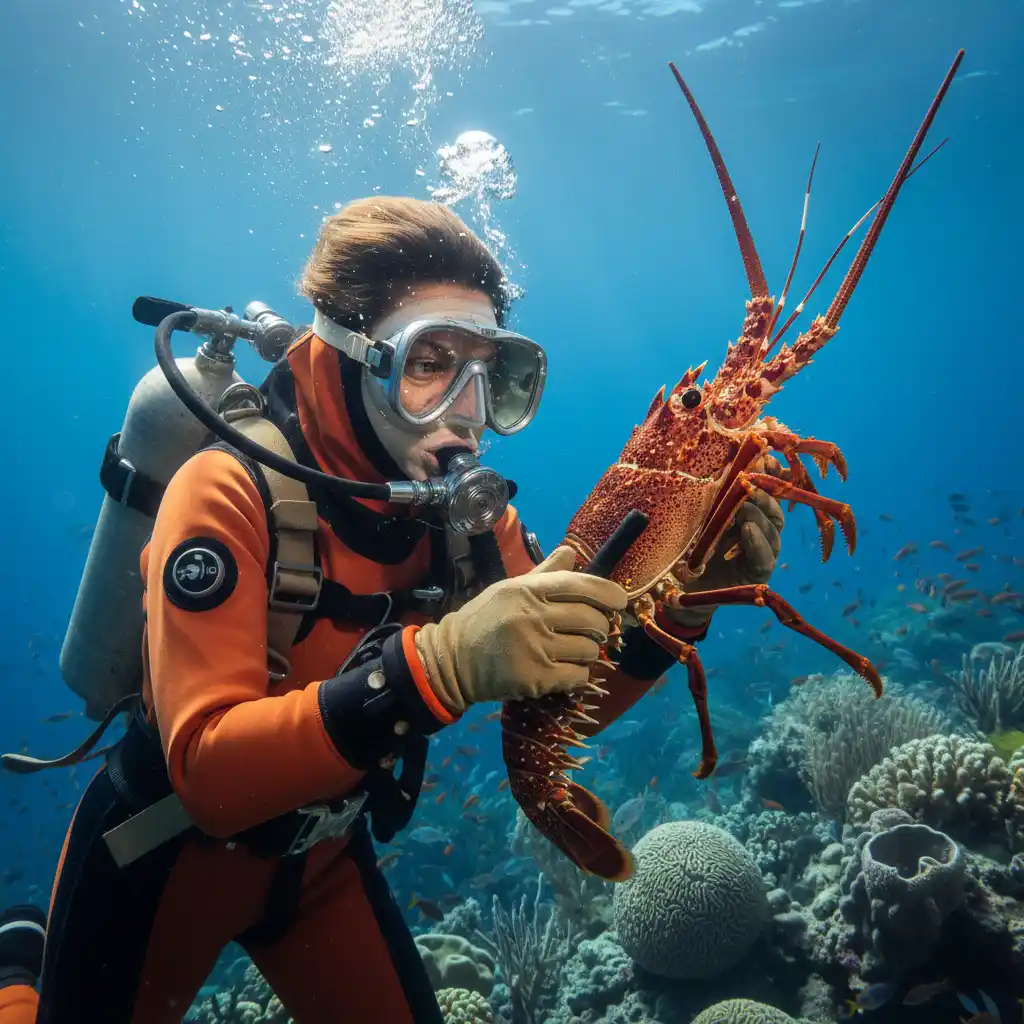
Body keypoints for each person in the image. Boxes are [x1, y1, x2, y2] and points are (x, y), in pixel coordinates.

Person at [0, 197, 784, 1024]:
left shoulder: (474, 529)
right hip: (160, 858)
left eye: (496, 376)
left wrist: (687, 607)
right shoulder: (226, 490)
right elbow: (209, 778)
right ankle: (17, 968)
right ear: (349, 357)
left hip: (326, 857)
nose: (467, 413)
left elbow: (563, 699)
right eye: (429, 364)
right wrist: (439, 666)